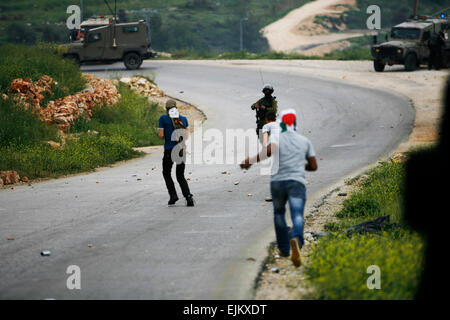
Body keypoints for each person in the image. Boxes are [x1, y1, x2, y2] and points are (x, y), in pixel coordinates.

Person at [240, 109, 318, 267]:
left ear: (281, 123)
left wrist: (249, 160)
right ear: (295, 123)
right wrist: (300, 166)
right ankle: (297, 238)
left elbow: (267, 152)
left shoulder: (278, 138)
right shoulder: (304, 141)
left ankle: (283, 249)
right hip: (296, 182)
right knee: (297, 213)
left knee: (279, 213)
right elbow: (313, 166)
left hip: (277, 182)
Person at [158, 100, 194, 207]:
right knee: (180, 175)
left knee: (166, 173)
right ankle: (188, 197)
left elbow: (160, 135)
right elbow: (186, 136)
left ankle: (173, 195)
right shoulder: (183, 119)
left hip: (169, 150)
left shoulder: (163, 119)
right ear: (176, 108)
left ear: (166, 109)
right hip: (181, 150)